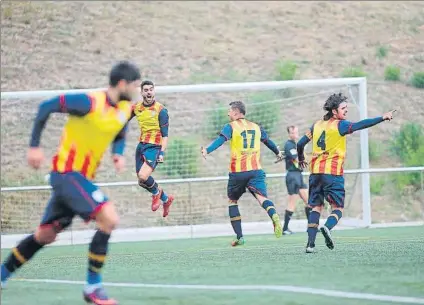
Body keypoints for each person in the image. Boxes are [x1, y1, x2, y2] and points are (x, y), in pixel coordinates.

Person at [0, 61, 141, 305]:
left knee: (45, 235)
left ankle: (2, 274)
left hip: (81, 179)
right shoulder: (88, 102)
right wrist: (34, 147)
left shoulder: (126, 108)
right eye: (136, 84)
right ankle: (93, 288)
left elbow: (120, 129)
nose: (139, 89)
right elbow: (46, 106)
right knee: (109, 218)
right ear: (122, 84)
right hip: (66, 174)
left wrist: (117, 153)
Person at [297, 93, 395, 253]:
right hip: (332, 173)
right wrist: (382, 117)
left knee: (315, 208)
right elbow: (360, 125)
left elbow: (300, 143)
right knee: (338, 208)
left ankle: (310, 245)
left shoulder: (316, 125)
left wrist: (301, 158)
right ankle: (328, 228)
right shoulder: (340, 125)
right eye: (343, 108)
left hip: (315, 173)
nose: (346, 111)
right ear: (334, 112)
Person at [201, 101, 285, 246]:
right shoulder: (256, 127)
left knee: (232, 201)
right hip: (255, 171)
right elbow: (268, 141)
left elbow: (221, 140)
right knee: (262, 198)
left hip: (238, 172)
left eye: (230, 111)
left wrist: (207, 150)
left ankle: (240, 237)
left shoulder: (231, 126)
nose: (228, 114)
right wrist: (277, 152)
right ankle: (273, 215)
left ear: (236, 112)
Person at [130, 80, 174, 217]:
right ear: (142, 92)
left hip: (154, 147)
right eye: (146, 90)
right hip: (141, 146)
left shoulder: (161, 110)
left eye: (151, 89)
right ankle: (166, 200)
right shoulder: (136, 108)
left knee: (144, 176)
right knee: (141, 181)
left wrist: (162, 152)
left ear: (154, 91)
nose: (149, 92)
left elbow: (165, 135)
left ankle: (156, 193)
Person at [282, 125, 311, 235]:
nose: (295, 134)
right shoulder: (289, 145)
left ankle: (310, 226)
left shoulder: (295, 144)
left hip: (298, 175)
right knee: (292, 202)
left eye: (296, 132)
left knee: (309, 201)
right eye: (293, 132)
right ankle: (284, 228)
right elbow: (297, 160)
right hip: (293, 176)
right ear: (289, 134)